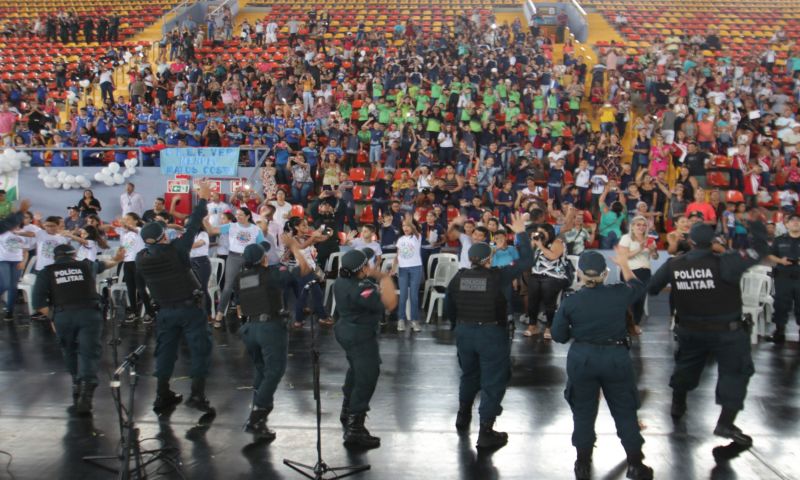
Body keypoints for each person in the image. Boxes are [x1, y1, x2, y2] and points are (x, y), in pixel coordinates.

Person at [648, 220, 769, 447]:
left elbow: (653, 288)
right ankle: (725, 423)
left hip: (690, 332)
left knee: (685, 368)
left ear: (690, 241)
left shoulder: (674, 264)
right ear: (713, 241)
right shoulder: (727, 261)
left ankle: (678, 405)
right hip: (728, 333)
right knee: (735, 374)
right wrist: (756, 227)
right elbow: (760, 250)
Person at [552, 250, 654, 480]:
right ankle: (635, 464)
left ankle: (582, 464)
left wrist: (578, 331)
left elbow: (558, 335)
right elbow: (639, 286)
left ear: (579, 274)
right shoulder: (619, 293)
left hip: (582, 358)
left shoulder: (571, 301)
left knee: (583, 412)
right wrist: (625, 264)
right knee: (625, 411)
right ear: (605, 274)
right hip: (615, 357)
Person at [445, 213, 533, 450]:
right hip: (491, 334)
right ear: (489, 259)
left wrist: (457, 326)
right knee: (493, 380)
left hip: (465, 333)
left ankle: (463, 417)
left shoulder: (459, 278)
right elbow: (527, 260)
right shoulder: (499, 276)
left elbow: (448, 306)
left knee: (468, 375)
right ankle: (486, 431)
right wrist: (521, 233)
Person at [137, 180, 216, 417]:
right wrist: (203, 198)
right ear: (164, 237)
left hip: (164, 311)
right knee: (199, 350)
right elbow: (193, 224)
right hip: (190, 309)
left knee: (165, 351)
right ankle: (197, 395)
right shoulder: (176, 251)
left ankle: (162, 394)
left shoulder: (141, 258)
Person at [32, 244, 124, 415]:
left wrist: (53, 316)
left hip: (63, 316)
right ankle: (87, 391)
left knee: (69, 350)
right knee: (89, 352)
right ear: (74, 255)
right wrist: (118, 259)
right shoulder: (86, 266)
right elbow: (106, 264)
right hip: (90, 314)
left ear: (55, 257)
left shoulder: (46, 272)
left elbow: (37, 303)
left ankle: (76, 382)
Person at [235, 236, 311, 441]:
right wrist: (295, 247)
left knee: (261, 370)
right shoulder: (272, 274)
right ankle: (257, 415)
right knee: (275, 370)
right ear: (264, 259)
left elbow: (241, 304)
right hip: (270, 328)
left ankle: (258, 414)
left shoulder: (239, 278)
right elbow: (304, 269)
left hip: (249, 328)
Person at [333, 248, 398, 449]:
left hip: (345, 330)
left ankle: (347, 410)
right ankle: (355, 429)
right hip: (360, 336)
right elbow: (390, 303)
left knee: (355, 369)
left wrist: (371, 276)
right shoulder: (361, 289)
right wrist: (385, 278)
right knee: (367, 377)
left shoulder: (340, 281)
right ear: (362, 269)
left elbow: (363, 283)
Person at [766, 212, 800, 343]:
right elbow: (770, 255)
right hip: (783, 279)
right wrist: (780, 261)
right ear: (787, 225)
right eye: (792, 221)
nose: (796, 222)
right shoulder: (779, 240)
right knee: (780, 305)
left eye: (798, 220)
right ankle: (779, 332)